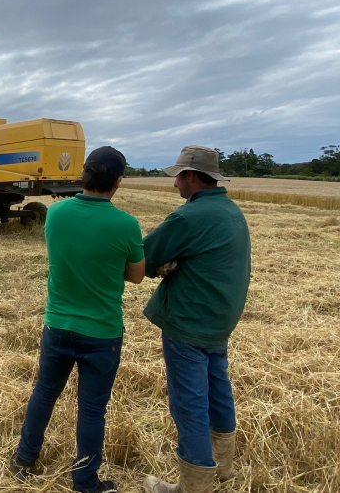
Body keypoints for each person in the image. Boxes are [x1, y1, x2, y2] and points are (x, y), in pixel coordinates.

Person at [9, 146, 146, 493]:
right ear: (117, 183)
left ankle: (23, 460)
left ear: (84, 175)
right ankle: (85, 481)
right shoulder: (127, 225)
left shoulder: (55, 214)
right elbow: (137, 276)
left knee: (44, 394)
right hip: (102, 334)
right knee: (91, 411)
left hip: (57, 326)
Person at [140, 146, 251, 493]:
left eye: (177, 176)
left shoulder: (188, 218)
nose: (174, 185)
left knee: (188, 402)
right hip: (221, 319)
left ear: (190, 176)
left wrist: (162, 265)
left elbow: (145, 256)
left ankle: (194, 484)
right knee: (219, 390)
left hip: (190, 321)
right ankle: (224, 467)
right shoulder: (230, 210)